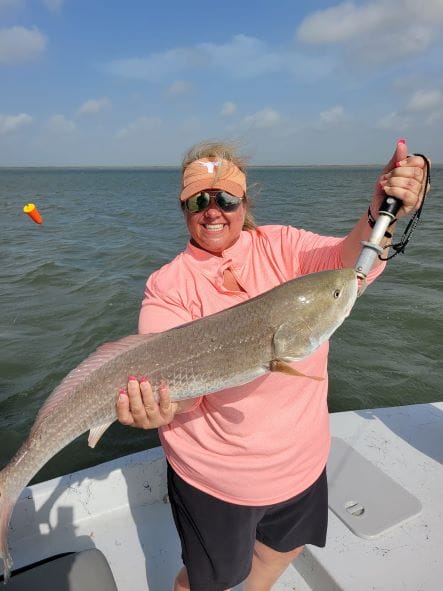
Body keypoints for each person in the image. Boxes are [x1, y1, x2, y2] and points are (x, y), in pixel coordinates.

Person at [116, 139, 428, 591]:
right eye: (199, 200)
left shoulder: (285, 245)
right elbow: (166, 373)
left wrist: (383, 212)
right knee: (210, 580)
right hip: (217, 481)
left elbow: (347, 265)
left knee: (284, 549)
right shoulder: (168, 286)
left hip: (302, 464)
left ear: (245, 202)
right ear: (184, 207)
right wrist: (161, 408)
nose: (213, 211)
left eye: (226, 198)